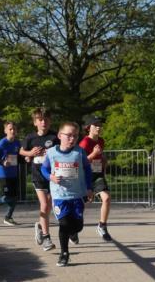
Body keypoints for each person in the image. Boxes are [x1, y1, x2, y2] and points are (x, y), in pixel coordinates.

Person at [40, 121, 93, 267]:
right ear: (59, 135)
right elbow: (44, 170)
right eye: (69, 135)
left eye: (75, 136)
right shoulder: (51, 153)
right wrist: (50, 177)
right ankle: (64, 254)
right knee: (63, 224)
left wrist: (89, 188)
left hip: (77, 195)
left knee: (78, 226)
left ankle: (73, 233)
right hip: (60, 196)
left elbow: (88, 170)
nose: (72, 139)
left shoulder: (79, 152)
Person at [22, 108, 58, 252]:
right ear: (35, 122)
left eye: (46, 120)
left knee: (50, 207)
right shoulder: (30, 138)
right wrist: (29, 153)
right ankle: (47, 238)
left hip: (53, 175)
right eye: (41, 120)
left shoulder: (55, 136)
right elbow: (21, 151)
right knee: (44, 206)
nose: (44, 122)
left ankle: (40, 226)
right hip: (38, 176)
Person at [79, 117, 112, 242]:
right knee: (81, 206)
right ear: (89, 127)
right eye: (95, 125)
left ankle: (102, 225)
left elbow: (99, 157)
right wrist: (93, 154)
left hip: (98, 175)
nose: (99, 127)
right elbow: (81, 162)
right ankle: (74, 229)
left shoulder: (101, 141)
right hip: (85, 176)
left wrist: (103, 160)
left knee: (107, 198)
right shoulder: (84, 143)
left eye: (100, 125)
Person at [0, 120, 22, 226]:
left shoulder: (17, 143)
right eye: (10, 129)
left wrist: (25, 159)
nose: (13, 131)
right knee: (8, 196)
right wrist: (3, 162)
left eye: (14, 129)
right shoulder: (2, 143)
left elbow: (19, 158)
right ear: (5, 131)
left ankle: (8, 217)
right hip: (3, 174)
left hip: (14, 173)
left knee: (15, 197)